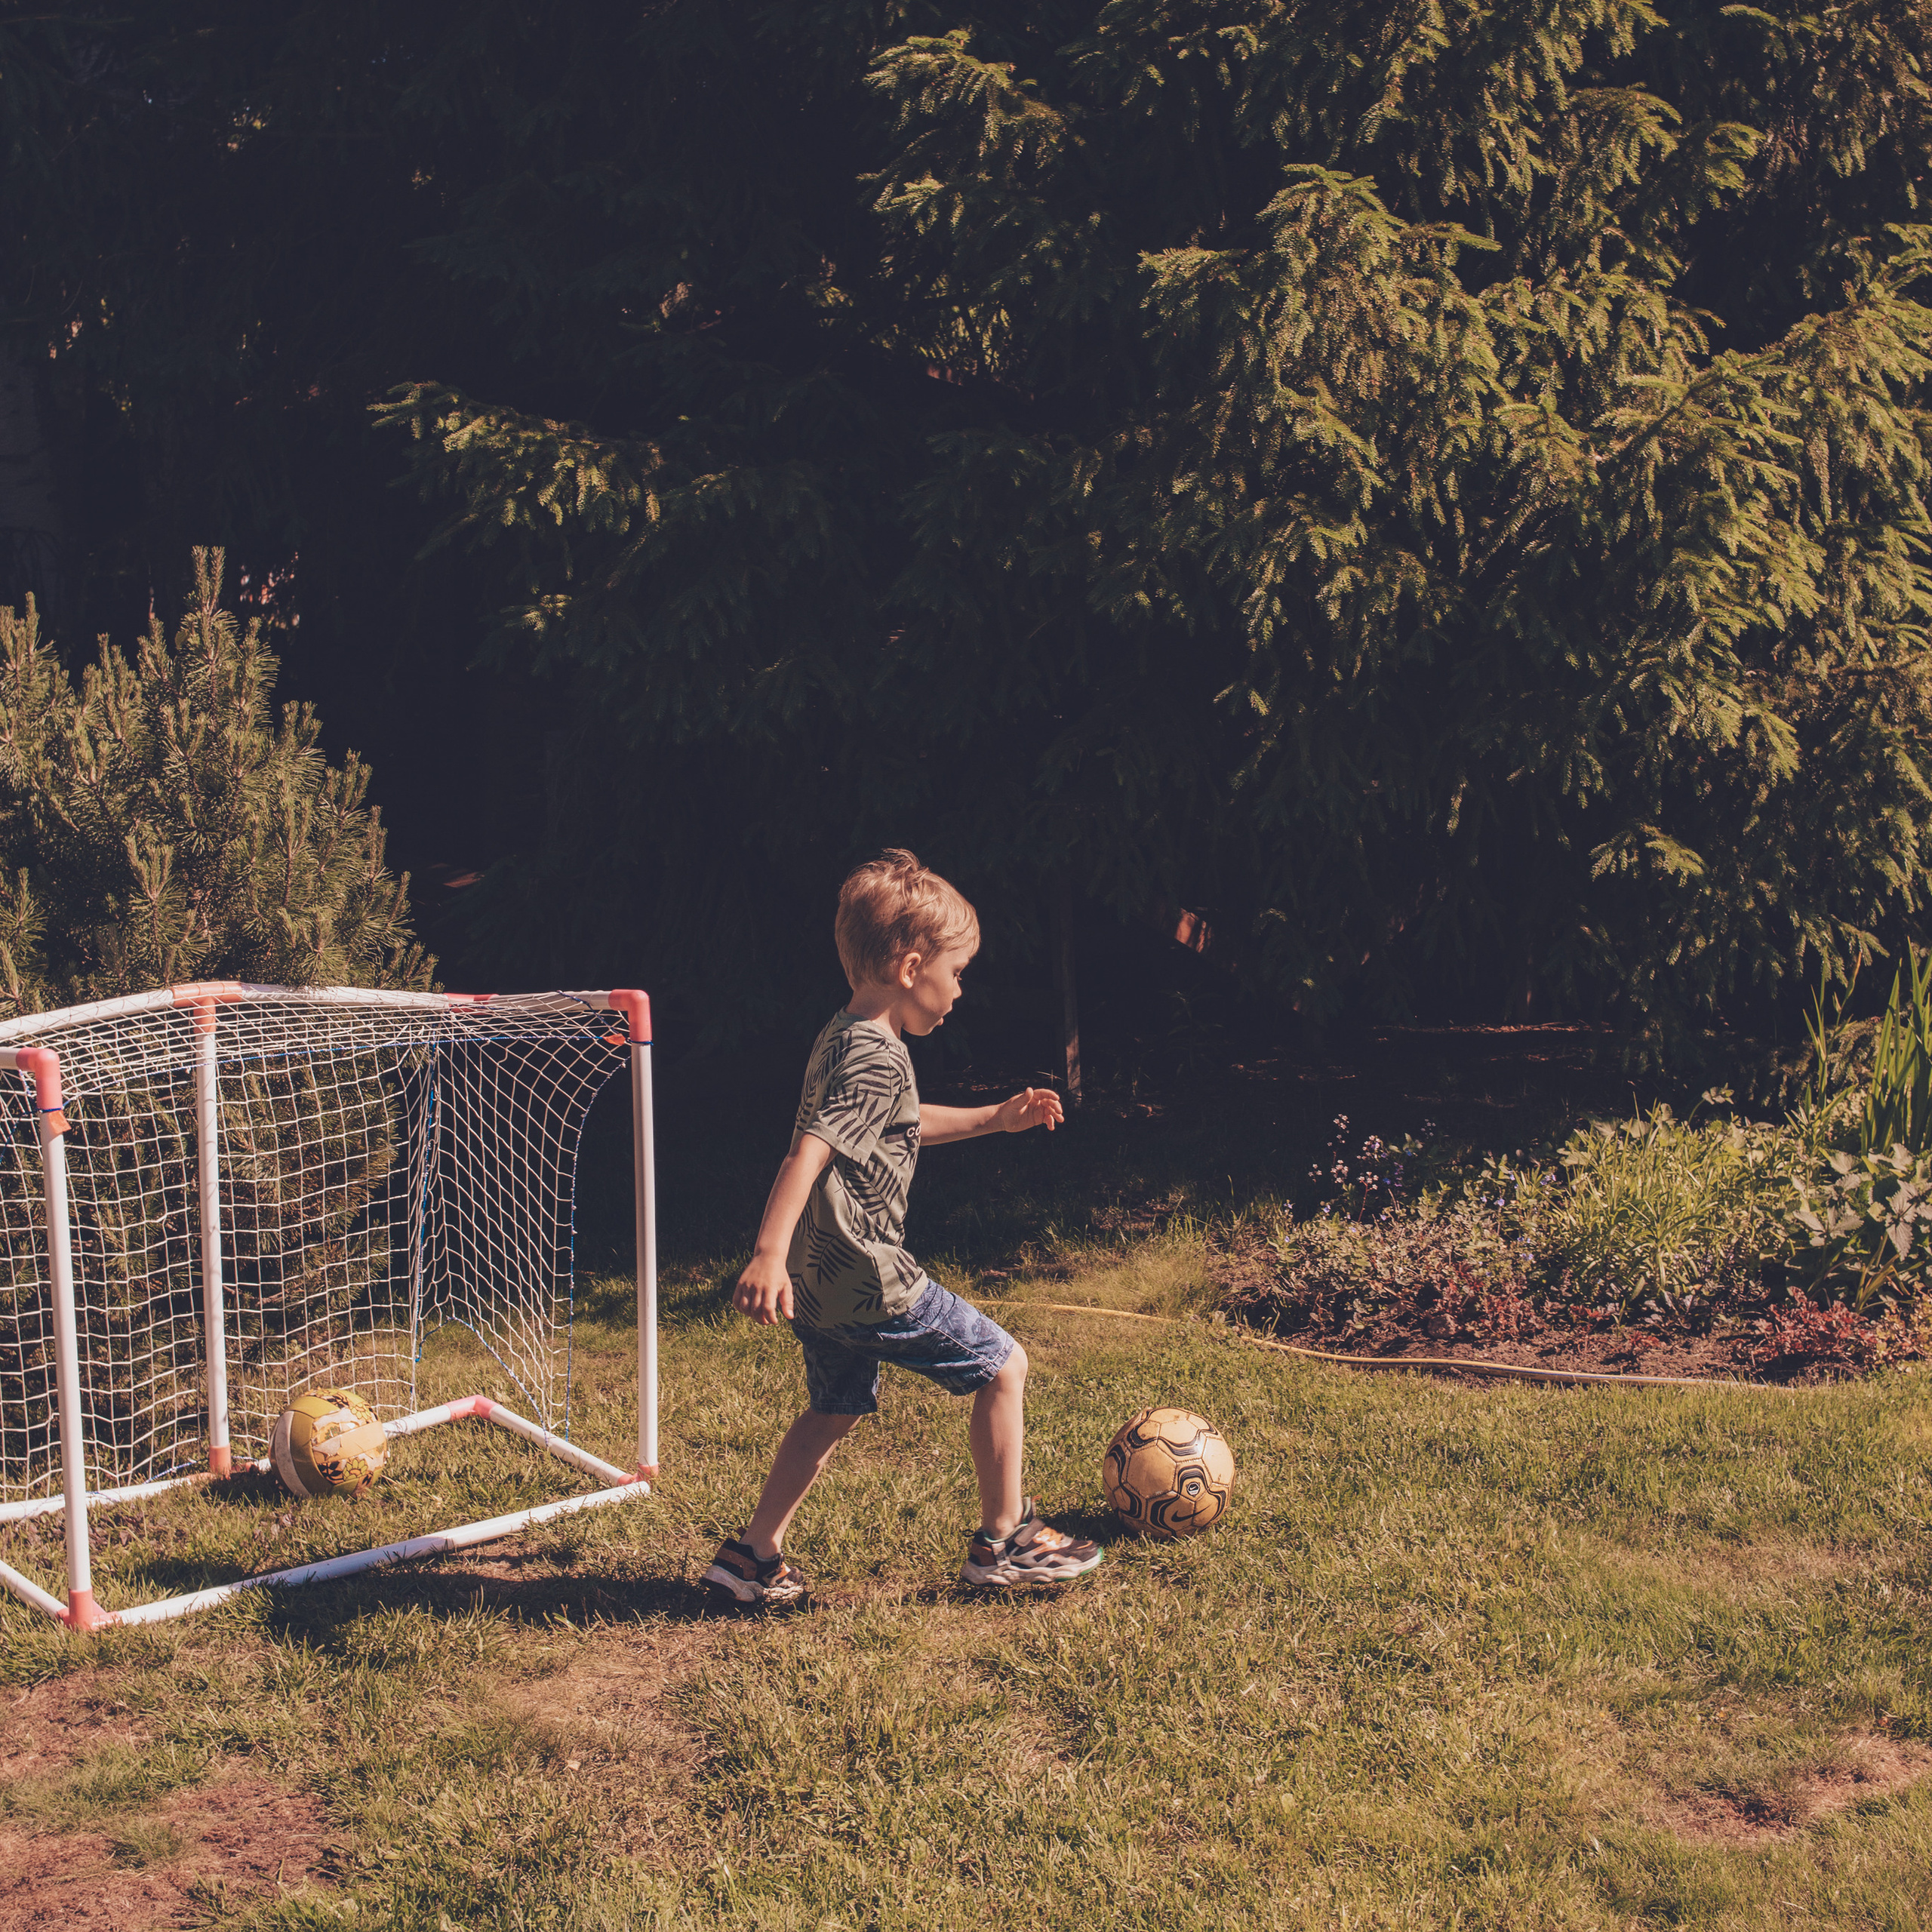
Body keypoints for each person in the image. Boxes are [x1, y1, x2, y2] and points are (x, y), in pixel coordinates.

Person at [703, 849, 1104, 1607]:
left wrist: (996, 1118)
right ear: (912, 964)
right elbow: (809, 1151)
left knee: (833, 1408)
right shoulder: (876, 1058)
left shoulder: (842, 1035)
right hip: (867, 1276)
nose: (960, 988)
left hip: (822, 1287)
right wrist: (766, 1253)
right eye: (957, 970)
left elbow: (896, 1128)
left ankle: (751, 1556)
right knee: (1001, 1365)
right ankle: (1003, 1540)